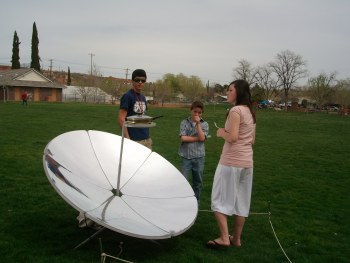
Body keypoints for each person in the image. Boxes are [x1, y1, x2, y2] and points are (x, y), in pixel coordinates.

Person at [206, 79, 256, 249]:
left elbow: (233, 137)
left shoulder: (235, 110)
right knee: (241, 203)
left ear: (239, 92)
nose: (227, 92)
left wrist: (221, 133)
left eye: (230, 90)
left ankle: (224, 238)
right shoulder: (250, 111)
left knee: (218, 200)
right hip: (247, 164)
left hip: (231, 162)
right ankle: (237, 239)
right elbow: (252, 140)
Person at [178, 101, 209, 207]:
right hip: (186, 157)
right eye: (195, 111)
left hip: (199, 157)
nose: (197, 114)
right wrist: (198, 139)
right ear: (190, 110)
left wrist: (198, 124)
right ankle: (183, 202)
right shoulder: (184, 122)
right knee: (184, 181)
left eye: (199, 112)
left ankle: (196, 203)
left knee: (198, 182)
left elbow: (202, 137)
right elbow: (183, 138)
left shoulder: (204, 124)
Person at [118, 69, 152, 149]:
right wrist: (127, 139)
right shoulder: (127, 96)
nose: (140, 82)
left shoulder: (143, 97)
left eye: (143, 80)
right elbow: (121, 119)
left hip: (146, 138)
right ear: (132, 81)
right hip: (134, 140)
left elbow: (143, 116)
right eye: (137, 80)